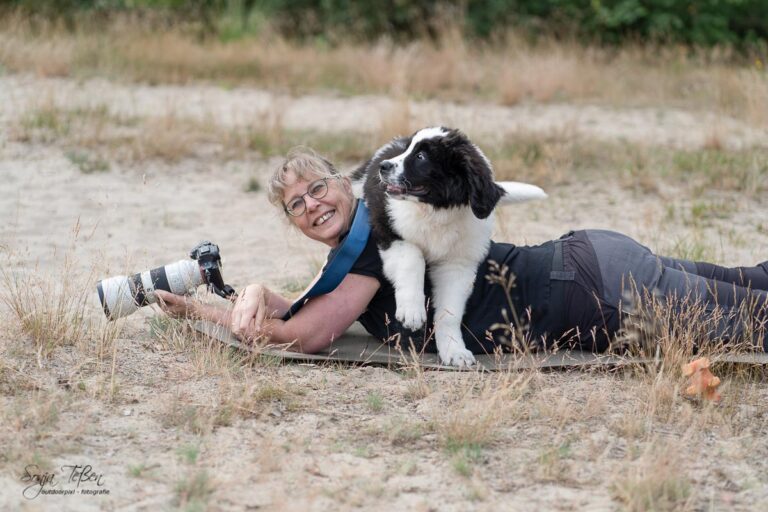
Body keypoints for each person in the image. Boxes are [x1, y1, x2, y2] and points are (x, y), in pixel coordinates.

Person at [156, 148, 768, 354]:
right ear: (293, 222)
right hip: (592, 266)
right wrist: (241, 298)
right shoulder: (354, 255)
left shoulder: (376, 237)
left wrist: (208, 312)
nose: (313, 204)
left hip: (595, 292)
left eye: (318, 187)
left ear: (347, 182)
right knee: (755, 282)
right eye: (297, 204)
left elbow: (311, 335)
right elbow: (311, 314)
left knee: (756, 322)